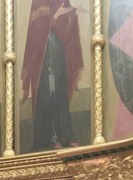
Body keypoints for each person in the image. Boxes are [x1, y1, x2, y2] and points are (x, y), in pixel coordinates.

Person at [21, 0, 83, 151]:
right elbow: (36, 18)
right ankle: (50, 137)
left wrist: (69, 13)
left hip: (59, 44)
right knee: (49, 91)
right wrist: (49, 13)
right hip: (45, 45)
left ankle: (65, 135)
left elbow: (66, 12)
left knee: (60, 88)